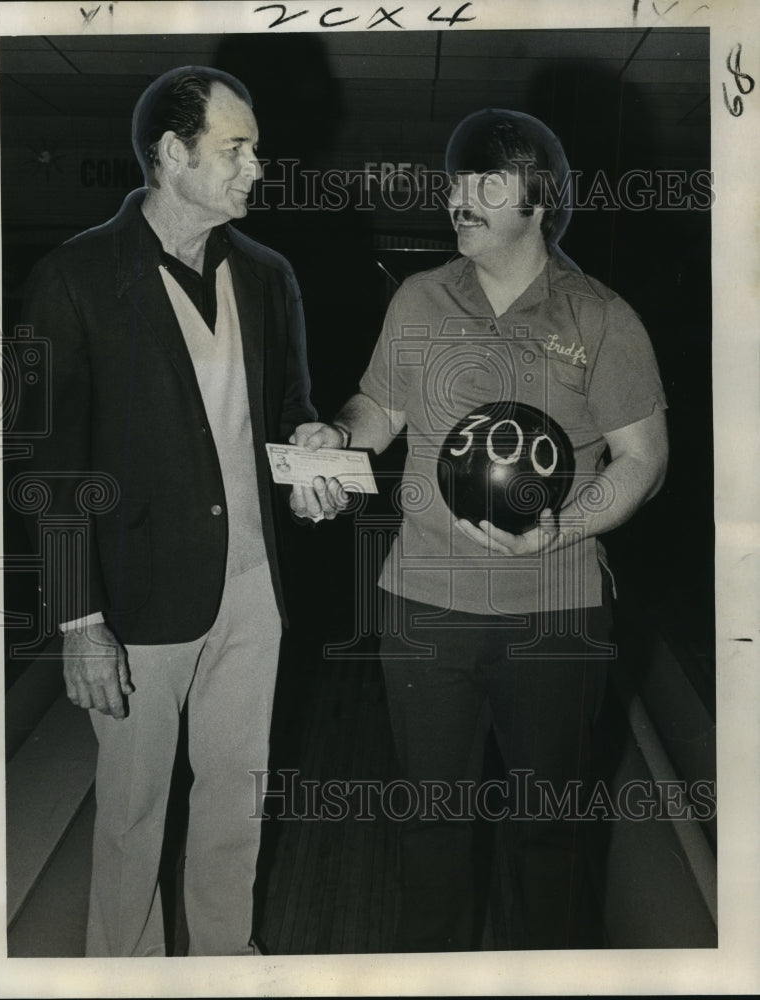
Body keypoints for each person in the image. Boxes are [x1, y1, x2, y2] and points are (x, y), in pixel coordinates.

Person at [290, 109, 668, 951]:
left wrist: (560, 530)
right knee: (433, 827)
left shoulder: (602, 317)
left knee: (550, 833)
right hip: (424, 605)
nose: (457, 198)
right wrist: (340, 435)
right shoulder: (420, 297)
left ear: (537, 200)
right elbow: (380, 406)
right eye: (456, 181)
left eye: (483, 183)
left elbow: (643, 460)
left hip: (556, 610)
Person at [16, 66, 316, 956]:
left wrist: (314, 463)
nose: (257, 165)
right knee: (132, 810)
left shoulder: (267, 275)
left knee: (236, 794)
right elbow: (47, 464)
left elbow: (292, 407)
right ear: (171, 154)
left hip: (253, 590)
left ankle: (224, 957)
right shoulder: (72, 277)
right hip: (137, 596)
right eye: (235, 149)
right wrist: (79, 619)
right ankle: (127, 969)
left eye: (254, 147)